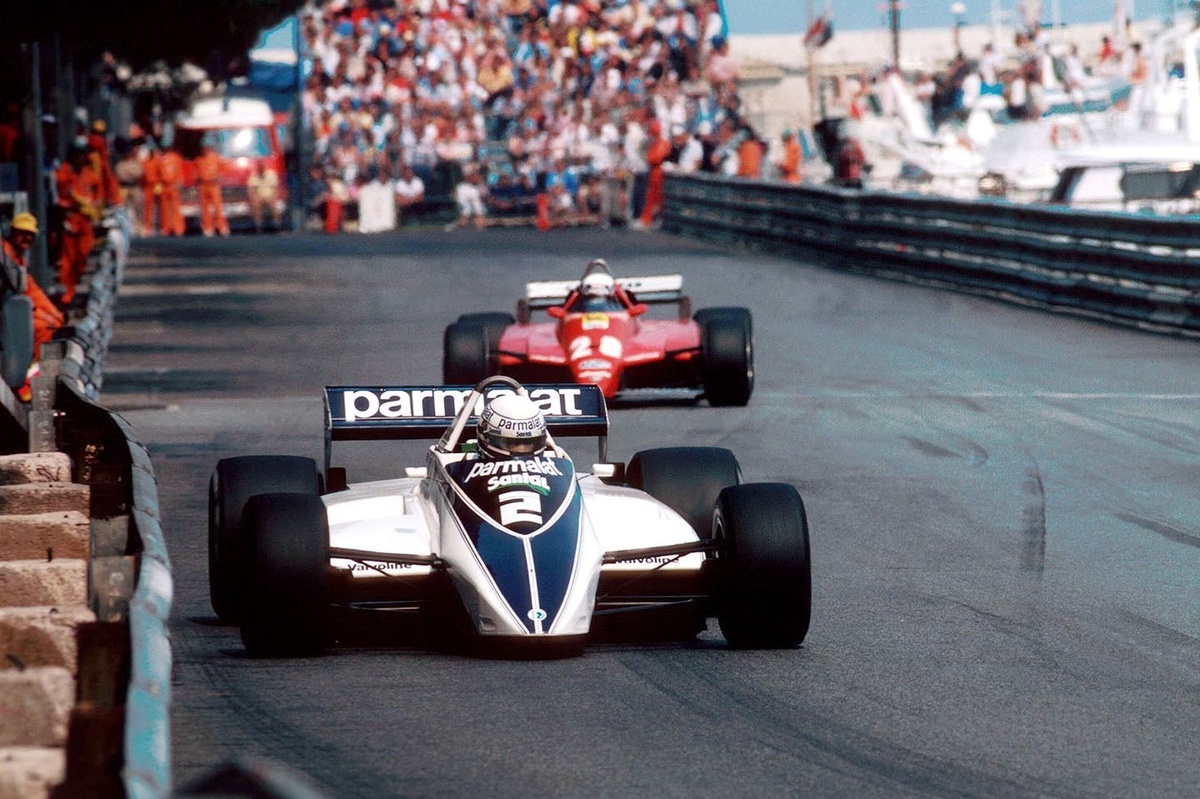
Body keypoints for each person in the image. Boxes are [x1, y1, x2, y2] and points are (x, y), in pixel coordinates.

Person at [3, 213, 64, 361]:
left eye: (30, 234)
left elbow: (32, 290)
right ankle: (30, 369)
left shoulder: (18, 258)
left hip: (14, 309)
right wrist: (39, 313)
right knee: (41, 327)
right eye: (22, 233)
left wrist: (54, 314)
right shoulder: (4, 257)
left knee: (52, 322)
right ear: (12, 232)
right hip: (7, 311)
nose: (27, 238)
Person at [55, 139, 103, 305]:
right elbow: (62, 196)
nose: (82, 157)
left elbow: (97, 193)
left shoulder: (89, 173)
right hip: (70, 219)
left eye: (84, 154)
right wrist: (74, 202)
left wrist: (95, 208)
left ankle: (76, 287)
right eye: (79, 154)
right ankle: (67, 293)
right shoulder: (64, 173)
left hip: (86, 221)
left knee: (84, 254)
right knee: (68, 259)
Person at [473, 393, 548, 459]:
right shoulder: (464, 468)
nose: (520, 450)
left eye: (528, 443)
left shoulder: (556, 458)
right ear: (485, 437)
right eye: (511, 444)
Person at [638, 120, 670, 228]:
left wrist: (649, 157)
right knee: (650, 197)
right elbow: (647, 155)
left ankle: (661, 220)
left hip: (659, 172)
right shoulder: (653, 143)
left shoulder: (662, 143)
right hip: (652, 171)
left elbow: (656, 158)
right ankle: (647, 220)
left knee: (660, 197)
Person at [195, 143, 230, 236]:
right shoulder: (198, 160)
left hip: (214, 185)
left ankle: (222, 227)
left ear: (210, 148)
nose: (204, 150)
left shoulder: (216, 158)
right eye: (203, 148)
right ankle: (207, 228)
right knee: (204, 208)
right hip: (203, 186)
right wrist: (198, 179)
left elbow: (224, 169)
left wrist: (219, 177)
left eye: (206, 148)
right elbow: (196, 172)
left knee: (217, 207)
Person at [246, 159, 282, 232]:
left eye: (262, 167)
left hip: (270, 195)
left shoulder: (271, 174)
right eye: (259, 167)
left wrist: (274, 197)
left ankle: (277, 225)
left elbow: (275, 188)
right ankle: (258, 226)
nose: (261, 168)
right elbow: (251, 189)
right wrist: (254, 197)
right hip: (259, 196)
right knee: (256, 205)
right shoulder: (254, 175)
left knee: (274, 205)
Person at [158, 144, 186, 236]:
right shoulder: (160, 158)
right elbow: (158, 172)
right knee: (165, 208)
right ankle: (167, 228)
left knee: (174, 207)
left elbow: (179, 170)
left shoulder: (175, 158)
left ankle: (178, 228)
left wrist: (179, 181)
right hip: (164, 185)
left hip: (173, 185)